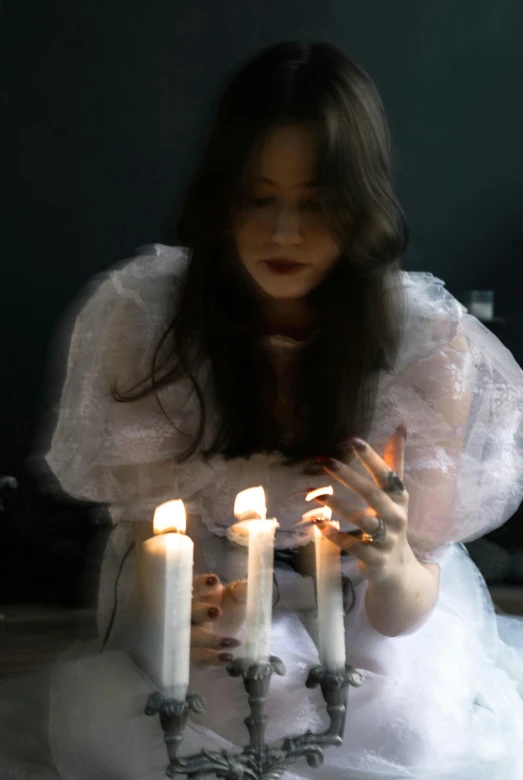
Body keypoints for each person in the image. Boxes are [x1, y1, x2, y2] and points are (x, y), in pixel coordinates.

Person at [4, 40, 523, 780]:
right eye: (258, 198)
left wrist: (392, 562)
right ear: (222, 198)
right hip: (206, 583)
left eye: (314, 204)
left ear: (359, 205)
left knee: (403, 741)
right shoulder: (144, 322)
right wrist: (179, 603)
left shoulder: (424, 344)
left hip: (358, 602)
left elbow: (404, 605)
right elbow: (156, 536)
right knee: (193, 728)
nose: (282, 233)